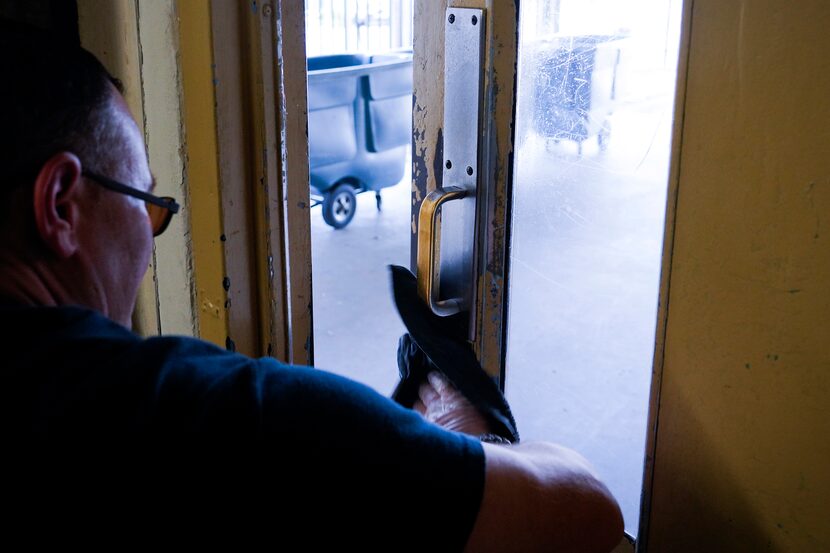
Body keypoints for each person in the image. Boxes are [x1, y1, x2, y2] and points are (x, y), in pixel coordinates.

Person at [0, 28, 623, 551]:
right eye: (147, 206)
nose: (149, 241)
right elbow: (588, 510)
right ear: (59, 205)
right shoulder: (205, 421)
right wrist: (462, 431)